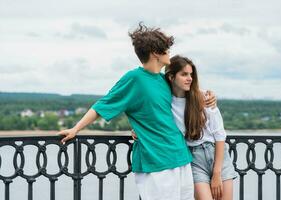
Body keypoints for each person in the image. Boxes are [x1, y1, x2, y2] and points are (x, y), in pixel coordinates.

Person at [58, 23, 216, 200]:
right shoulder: (134, 79)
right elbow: (102, 105)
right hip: (156, 161)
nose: (169, 53)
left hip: (181, 157)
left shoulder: (165, 79)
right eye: (166, 49)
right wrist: (75, 129)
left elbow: (190, 93)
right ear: (156, 53)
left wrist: (210, 96)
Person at [133, 55, 237, 200]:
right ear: (171, 77)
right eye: (184, 74)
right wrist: (140, 130)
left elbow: (219, 135)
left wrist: (217, 173)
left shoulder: (203, 98)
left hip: (217, 156)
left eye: (191, 74)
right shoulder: (165, 102)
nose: (189, 78)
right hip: (193, 158)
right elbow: (155, 121)